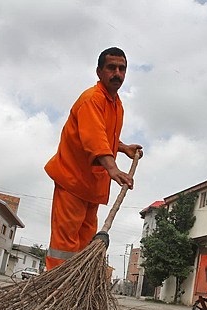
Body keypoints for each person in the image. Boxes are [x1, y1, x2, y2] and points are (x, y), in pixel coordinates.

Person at [44, 47, 143, 270]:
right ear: (99, 72)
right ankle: (56, 291)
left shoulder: (116, 104)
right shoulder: (92, 99)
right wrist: (113, 168)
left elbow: (104, 135)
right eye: (111, 68)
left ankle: (75, 289)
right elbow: (94, 139)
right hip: (72, 181)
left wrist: (122, 147)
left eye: (122, 69)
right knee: (65, 246)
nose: (117, 73)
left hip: (91, 187)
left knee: (84, 245)